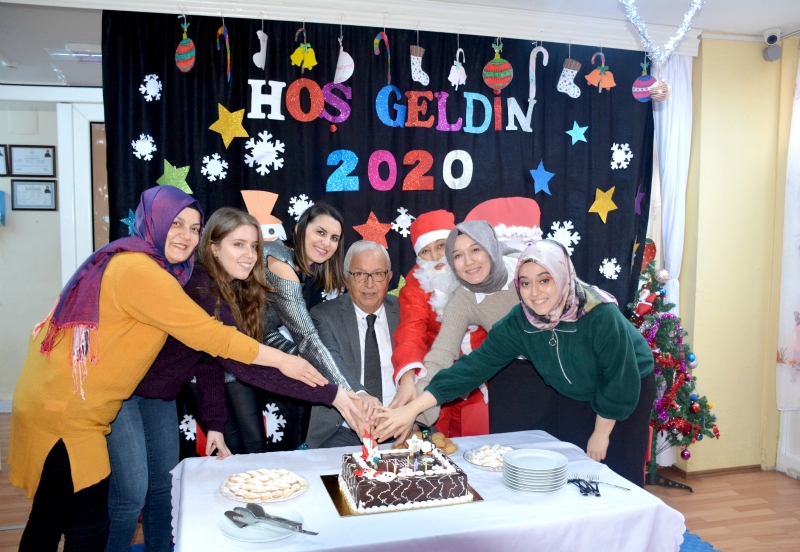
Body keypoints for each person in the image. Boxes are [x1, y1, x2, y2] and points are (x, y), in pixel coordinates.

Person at [7, 186, 328, 551]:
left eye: (194, 228)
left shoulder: (161, 269)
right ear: (154, 222)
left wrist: (215, 421)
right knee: (93, 524)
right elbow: (214, 339)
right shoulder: (143, 271)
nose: (186, 236)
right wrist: (289, 362)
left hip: (65, 402)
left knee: (53, 517)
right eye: (176, 224)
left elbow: (205, 356)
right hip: (70, 412)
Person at [104, 208, 363, 552]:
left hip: (159, 396)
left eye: (254, 246)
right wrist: (333, 394)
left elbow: (208, 361)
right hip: (125, 392)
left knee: (161, 490)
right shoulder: (202, 287)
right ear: (213, 247)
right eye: (238, 245)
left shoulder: (223, 286)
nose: (250, 255)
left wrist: (214, 424)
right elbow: (245, 365)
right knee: (131, 496)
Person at [376, 239, 656, 487]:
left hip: (626, 388)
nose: (535, 293)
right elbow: (471, 369)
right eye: (525, 283)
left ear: (563, 276)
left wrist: (601, 434)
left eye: (544, 280)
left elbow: (618, 378)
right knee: (576, 472)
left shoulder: (599, 314)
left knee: (616, 473)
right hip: (576, 391)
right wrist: (413, 409)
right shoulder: (521, 321)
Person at [413, 219, 557, 435]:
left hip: (565, 368)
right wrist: (413, 413)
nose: (468, 262)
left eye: (475, 249)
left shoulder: (528, 269)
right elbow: (441, 355)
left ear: (490, 247)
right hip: (514, 379)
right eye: (458, 255)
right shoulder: (463, 299)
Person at [390, 210, 489, 437]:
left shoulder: (475, 271)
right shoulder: (415, 286)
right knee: (440, 443)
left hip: (483, 376)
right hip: (439, 378)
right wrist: (408, 380)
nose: (435, 256)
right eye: (425, 251)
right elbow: (410, 332)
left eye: (441, 246)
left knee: (481, 442)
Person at [305, 240, 400, 448]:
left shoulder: (406, 312)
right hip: (342, 431)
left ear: (389, 278)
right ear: (346, 279)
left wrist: (412, 421)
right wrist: (360, 394)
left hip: (401, 426)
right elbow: (331, 361)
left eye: (378, 274)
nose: (369, 284)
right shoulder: (324, 315)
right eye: (360, 274)